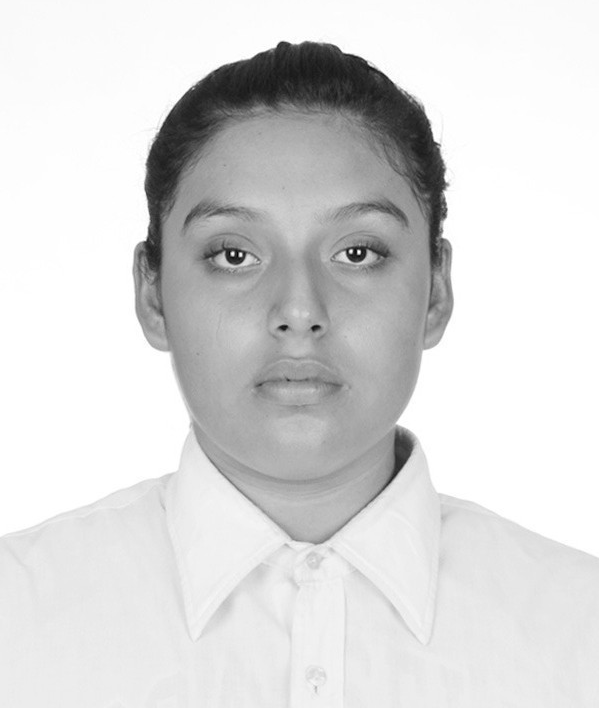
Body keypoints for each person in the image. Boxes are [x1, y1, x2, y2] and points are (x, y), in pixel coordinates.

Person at [1, 40, 598, 707]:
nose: (299, 311)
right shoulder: (16, 619)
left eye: (357, 252)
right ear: (152, 295)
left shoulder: (580, 634)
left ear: (434, 292)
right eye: (233, 255)